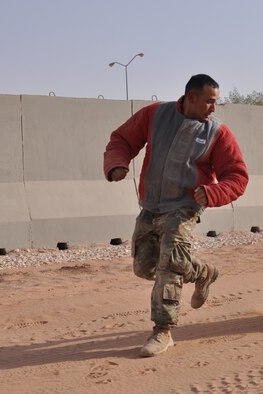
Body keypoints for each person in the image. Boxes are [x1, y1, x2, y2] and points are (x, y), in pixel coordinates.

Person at [103, 74, 248, 357]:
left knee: (170, 266)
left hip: (183, 208)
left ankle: (163, 331)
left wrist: (213, 192)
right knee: (145, 267)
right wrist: (117, 164)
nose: (213, 108)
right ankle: (203, 272)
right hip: (151, 205)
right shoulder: (156, 114)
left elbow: (238, 177)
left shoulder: (218, 133)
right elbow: (122, 139)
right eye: (209, 101)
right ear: (190, 98)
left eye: (216, 102)